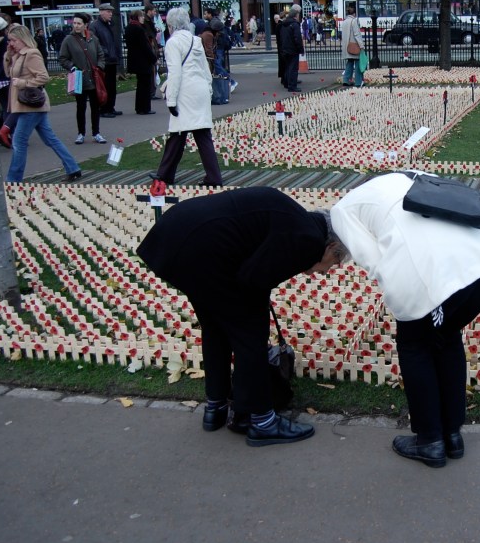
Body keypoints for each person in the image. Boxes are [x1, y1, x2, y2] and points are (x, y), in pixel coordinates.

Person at [330, 172, 480, 468]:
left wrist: (402, 302)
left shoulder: (341, 211)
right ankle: (452, 435)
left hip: (436, 266)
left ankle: (430, 440)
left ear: (331, 245)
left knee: (414, 345)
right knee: (447, 336)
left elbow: (373, 260)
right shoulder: (400, 180)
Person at [136, 187, 347, 446]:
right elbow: (252, 280)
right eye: (334, 263)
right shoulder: (308, 239)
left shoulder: (300, 222)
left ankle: (215, 407)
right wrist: (254, 326)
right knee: (251, 333)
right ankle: (262, 422)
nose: (326, 272)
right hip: (201, 247)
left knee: (215, 327)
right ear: (331, 246)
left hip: (176, 236)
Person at [2, 24, 82, 184]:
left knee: (18, 141)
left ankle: (13, 179)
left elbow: (44, 77)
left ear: (22, 39)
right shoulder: (18, 54)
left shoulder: (31, 54)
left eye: (13, 40)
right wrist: (8, 56)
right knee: (50, 139)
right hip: (26, 104)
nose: (11, 43)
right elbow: (8, 73)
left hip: (31, 105)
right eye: (9, 40)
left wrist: (23, 83)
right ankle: (73, 167)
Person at [152, 7, 222, 187]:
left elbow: (175, 74)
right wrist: (208, 88)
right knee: (199, 134)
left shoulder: (173, 43)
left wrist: (171, 100)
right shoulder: (195, 40)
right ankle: (212, 176)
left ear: (170, 25)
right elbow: (205, 68)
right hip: (200, 89)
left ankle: (166, 175)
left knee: (178, 132)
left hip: (185, 92)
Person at [58, 13, 106, 144]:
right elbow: (62, 58)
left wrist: (99, 67)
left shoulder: (93, 39)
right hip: (79, 78)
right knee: (81, 107)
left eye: (79, 23)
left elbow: (101, 55)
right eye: (74, 23)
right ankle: (81, 133)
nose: (76, 26)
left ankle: (96, 133)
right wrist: (72, 67)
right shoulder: (69, 40)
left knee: (95, 107)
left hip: (94, 78)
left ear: (85, 25)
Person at [89, 3, 122, 117]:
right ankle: (104, 109)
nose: (110, 14)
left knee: (112, 87)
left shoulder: (109, 25)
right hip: (104, 61)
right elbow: (94, 43)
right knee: (105, 86)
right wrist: (105, 52)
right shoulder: (94, 26)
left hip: (112, 59)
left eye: (111, 12)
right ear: (101, 12)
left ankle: (111, 107)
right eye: (108, 11)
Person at [124, 9, 157, 116]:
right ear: (137, 17)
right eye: (141, 16)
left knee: (140, 84)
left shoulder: (129, 28)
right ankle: (145, 107)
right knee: (145, 84)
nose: (143, 18)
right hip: (143, 60)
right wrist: (153, 58)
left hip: (135, 60)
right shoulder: (139, 29)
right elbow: (145, 46)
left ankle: (139, 107)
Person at [279, 4, 304, 93]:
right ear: (296, 15)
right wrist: (301, 49)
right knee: (293, 68)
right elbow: (297, 38)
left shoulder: (284, 24)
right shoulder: (294, 24)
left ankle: (287, 83)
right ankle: (292, 86)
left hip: (285, 48)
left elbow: (282, 37)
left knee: (287, 67)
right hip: (293, 49)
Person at [339, 4, 365, 87]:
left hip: (346, 46)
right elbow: (357, 35)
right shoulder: (354, 21)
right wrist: (361, 46)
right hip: (354, 46)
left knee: (349, 63)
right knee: (358, 63)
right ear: (354, 13)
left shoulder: (344, 21)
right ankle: (358, 82)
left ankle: (346, 80)